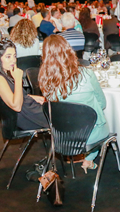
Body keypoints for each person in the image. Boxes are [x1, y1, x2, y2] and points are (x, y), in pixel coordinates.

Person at [39, 35, 108, 173]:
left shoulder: (44, 80)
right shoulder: (87, 74)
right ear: (69, 51)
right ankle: (90, 157)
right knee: (102, 119)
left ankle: (83, 156)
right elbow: (102, 103)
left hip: (62, 135)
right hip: (91, 135)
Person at [0, 40, 48, 130]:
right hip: (28, 117)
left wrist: (38, 98)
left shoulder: (2, 74)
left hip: (29, 111)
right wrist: (18, 79)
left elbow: (17, 96)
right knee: (64, 114)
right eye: (8, 57)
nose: (13, 60)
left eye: (14, 56)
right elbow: (17, 106)